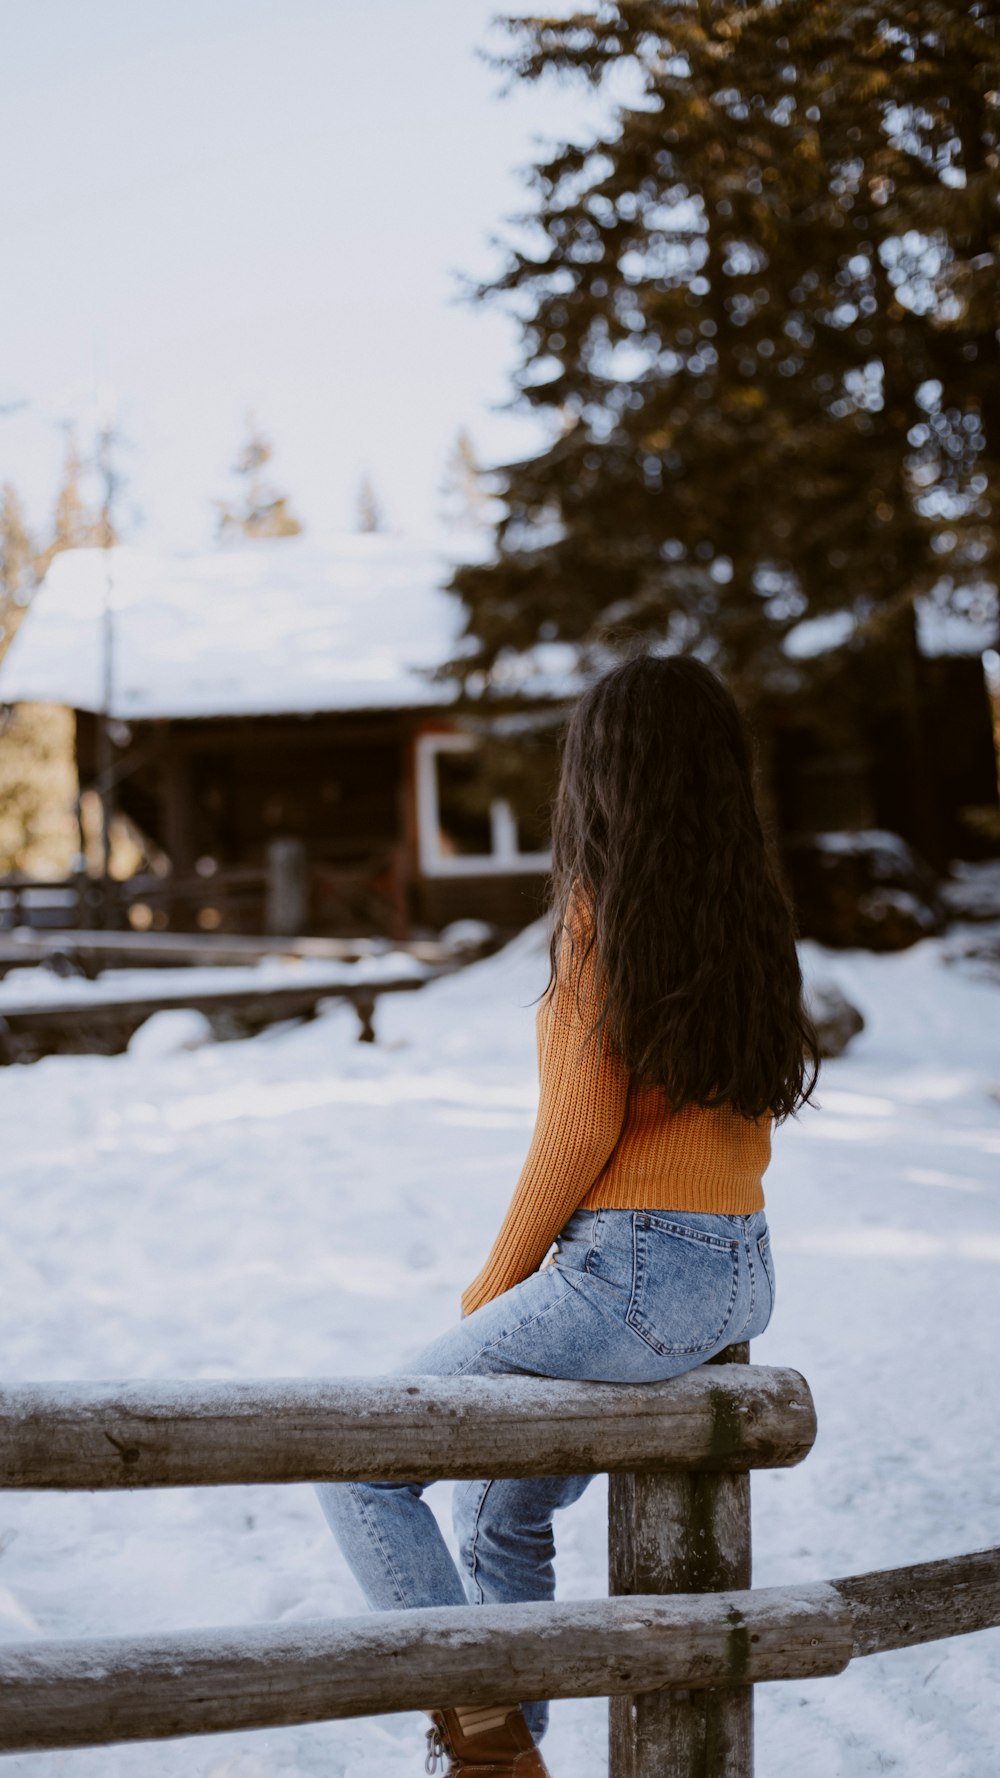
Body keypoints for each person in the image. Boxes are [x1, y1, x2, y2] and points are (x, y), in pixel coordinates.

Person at [316, 651, 820, 1776]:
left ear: (603, 775)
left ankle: (483, 1736)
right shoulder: (749, 913)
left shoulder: (600, 916)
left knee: (358, 1457)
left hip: (629, 1281)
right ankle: (513, 1756)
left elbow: (574, 1131)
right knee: (504, 1512)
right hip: (739, 1269)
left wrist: (497, 1286)